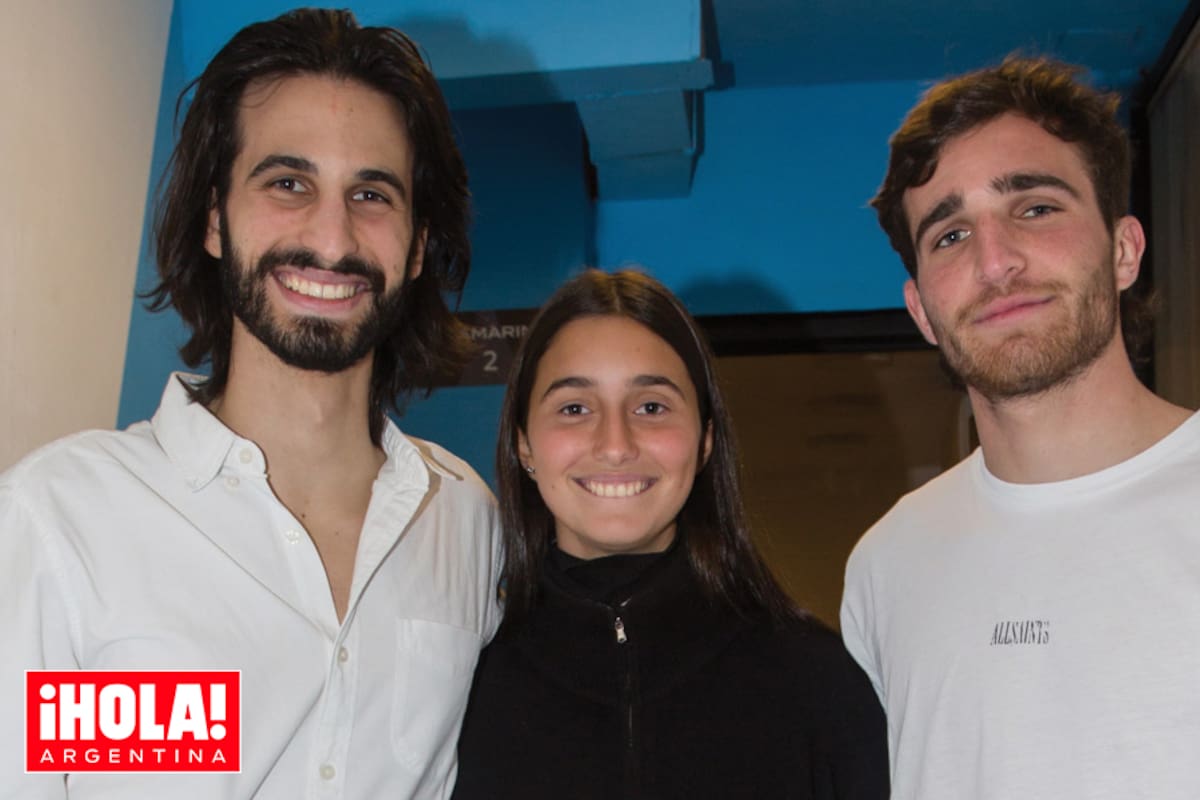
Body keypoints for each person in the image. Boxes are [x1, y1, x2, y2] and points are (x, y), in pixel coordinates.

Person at [0, 9, 501, 798]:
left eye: (370, 193)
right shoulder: (62, 520)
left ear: (413, 247)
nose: (331, 239)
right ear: (212, 218)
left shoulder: (467, 524)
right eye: (288, 183)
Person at [841, 56, 1200, 798]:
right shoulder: (885, 566)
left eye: (1034, 207)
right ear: (920, 312)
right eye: (949, 235)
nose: (996, 262)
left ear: (1125, 250)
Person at [453, 268, 888, 800]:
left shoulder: (818, 683)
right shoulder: (458, 690)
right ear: (524, 445)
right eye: (574, 408)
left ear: (705, 440)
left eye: (651, 407)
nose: (615, 444)